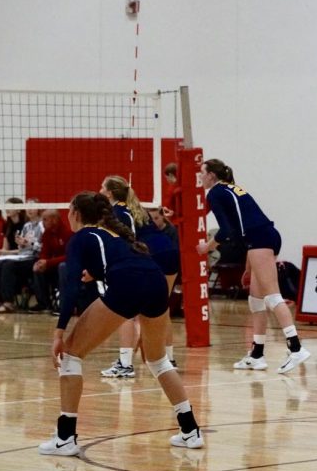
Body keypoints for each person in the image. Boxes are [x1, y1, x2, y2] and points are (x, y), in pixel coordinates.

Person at [38, 191, 203, 456]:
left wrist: (59, 332)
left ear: (76, 214)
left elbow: (70, 286)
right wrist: (97, 273)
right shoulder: (115, 234)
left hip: (129, 283)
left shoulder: (81, 237)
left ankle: (65, 438)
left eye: (69, 209)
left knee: (70, 355)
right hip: (156, 281)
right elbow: (118, 261)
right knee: (158, 360)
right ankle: (190, 430)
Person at [197, 158, 311, 373]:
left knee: (273, 297)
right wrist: (249, 268)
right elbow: (246, 225)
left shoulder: (215, 193)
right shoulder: (232, 188)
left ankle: (296, 348)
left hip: (259, 240)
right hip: (262, 238)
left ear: (211, 175)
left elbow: (226, 231)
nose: (200, 177)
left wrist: (208, 247)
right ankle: (257, 354)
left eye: (202, 173)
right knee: (256, 300)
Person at [100, 175, 179, 376]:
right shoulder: (137, 208)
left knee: (126, 309)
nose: (99, 191)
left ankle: (125, 364)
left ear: (109, 192)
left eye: (102, 187)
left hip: (151, 255)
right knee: (162, 310)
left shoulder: (117, 212)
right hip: (168, 252)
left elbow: (130, 238)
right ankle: (168, 359)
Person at [0, 201, 44, 313]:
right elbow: (22, 248)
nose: (29, 210)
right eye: (27, 207)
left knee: (8, 265)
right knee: (0, 264)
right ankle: (2, 301)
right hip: (23, 257)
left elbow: (42, 248)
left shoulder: (42, 225)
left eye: (32, 207)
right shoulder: (27, 226)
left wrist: (28, 244)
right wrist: (21, 244)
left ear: (38, 209)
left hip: (35, 258)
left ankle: (9, 303)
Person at [29, 210, 71, 314]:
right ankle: (44, 304)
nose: (42, 222)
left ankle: (63, 306)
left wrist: (48, 262)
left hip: (67, 266)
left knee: (62, 266)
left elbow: (69, 256)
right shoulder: (47, 233)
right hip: (54, 265)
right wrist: (41, 262)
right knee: (38, 268)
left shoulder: (68, 232)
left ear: (54, 220)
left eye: (45, 220)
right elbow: (44, 252)